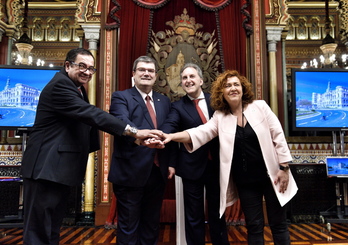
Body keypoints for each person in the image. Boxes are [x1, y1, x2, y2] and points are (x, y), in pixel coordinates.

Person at [20, 48, 162, 245]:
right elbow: (90, 114)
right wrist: (134, 132)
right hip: (44, 169)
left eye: (90, 68)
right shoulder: (61, 85)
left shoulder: (76, 87)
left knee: (51, 228)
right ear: (67, 66)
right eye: (82, 66)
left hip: (56, 170)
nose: (87, 72)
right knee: (39, 232)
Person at [155, 70, 298, 245]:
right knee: (254, 226)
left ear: (243, 88)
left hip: (273, 176)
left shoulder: (260, 106)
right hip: (246, 182)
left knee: (279, 225)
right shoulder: (220, 116)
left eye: (236, 84)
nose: (232, 88)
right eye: (228, 86)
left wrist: (284, 168)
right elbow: (200, 132)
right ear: (222, 92)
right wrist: (172, 136)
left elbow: (278, 136)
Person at [107, 55, 175, 245]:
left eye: (151, 71)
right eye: (142, 70)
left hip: (157, 172)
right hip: (130, 172)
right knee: (128, 227)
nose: (146, 73)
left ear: (156, 76)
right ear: (134, 74)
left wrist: (170, 163)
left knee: (151, 225)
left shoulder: (164, 101)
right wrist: (142, 136)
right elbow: (121, 122)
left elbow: (170, 129)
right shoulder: (121, 97)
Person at [161, 63, 229, 245]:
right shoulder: (177, 107)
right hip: (191, 167)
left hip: (217, 166)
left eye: (192, 77)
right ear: (181, 83)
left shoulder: (216, 101)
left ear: (201, 80)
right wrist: (161, 134)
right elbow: (170, 127)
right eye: (184, 78)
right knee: (193, 216)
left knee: (218, 213)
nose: (188, 80)